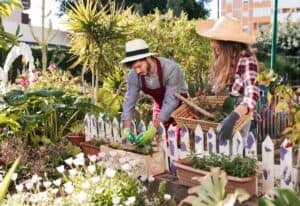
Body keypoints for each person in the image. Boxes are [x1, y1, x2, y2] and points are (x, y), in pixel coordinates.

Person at [195, 16, 259, 140]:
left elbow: (252, 95)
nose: (212, 44)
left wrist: (233, 117)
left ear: (227, 43)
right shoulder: (225, 61)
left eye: (215, 40)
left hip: (240, 124)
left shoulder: (246, 60)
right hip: (223, 121)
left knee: (235, 157)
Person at [121, 39, 188, 145]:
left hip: (180, 109)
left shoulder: (171, 69)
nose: (137, 71)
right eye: (134, 68)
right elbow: (129, 100)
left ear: (148, 58)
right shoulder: (134, 75)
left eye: (139, 66)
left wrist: (153, 129)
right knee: (159, 143)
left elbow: (171, 101)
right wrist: (127, 127)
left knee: (177, 143)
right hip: (159, 106)